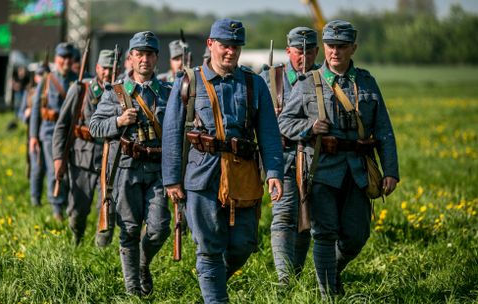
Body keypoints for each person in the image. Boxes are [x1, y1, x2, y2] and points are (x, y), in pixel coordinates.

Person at [162, 19, 284, 303]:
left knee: (244, 244)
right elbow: (172, 132)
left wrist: (274, 172)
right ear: (211, 45)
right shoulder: (188, 82)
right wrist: (171, 179)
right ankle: (215, 296)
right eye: (225, 46)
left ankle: (211, 281)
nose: (230, 52)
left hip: (242, 174)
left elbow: (268, 132)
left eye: (236, 46)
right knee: (209, 245)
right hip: (200, 176)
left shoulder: (254, 84)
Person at [278, 20, 399, 297]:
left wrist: (390, 170)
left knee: (357, 236)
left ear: (353, 48)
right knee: (324, 234)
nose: (335, 52)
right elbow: (284, 122)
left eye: (342, 47)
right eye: (331, 46)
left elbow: (384, 129)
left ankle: (330, 273)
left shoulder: (367, 81)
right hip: (320, 170)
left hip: (358, 170)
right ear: (325, 48)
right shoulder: (308, 83)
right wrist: (308, 128)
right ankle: (328, 295)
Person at [90, 31, 171, 296]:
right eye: (139, 54)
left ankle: (143, 263)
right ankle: (132, 290)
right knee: (129, 230)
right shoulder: (115, 92)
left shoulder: (167, 93)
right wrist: (118, 122)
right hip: (125, 168)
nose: (144, 59)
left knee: (159, 229)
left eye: (149, 54)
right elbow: (94, 126)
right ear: (131, 58)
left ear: (157, 58)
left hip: (157, 169)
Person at [260, 26, 320, 285]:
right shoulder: (270, 77)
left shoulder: (322, 77)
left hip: (313, 159)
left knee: (305, 218)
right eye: (297, 52)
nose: (302, 57)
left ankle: (294, 275)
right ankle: (285, 280)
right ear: (288, 51)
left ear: (316, 52)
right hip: (280, 157)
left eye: (308, 52)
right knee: (283, 215)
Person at [52, 50, 115, 246]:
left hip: (110, 162)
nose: (108, 73)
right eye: (105, 68)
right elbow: (62, 125)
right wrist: (58, 158)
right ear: (97, 68)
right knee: (77, 211)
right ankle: (76, 240)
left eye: (112, 69)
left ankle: (100, 255)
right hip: (82, 159)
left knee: (107, 210)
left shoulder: (121, 92)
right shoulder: (81, 90)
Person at [29, 42, 78, 221]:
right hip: (49, 133)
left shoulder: (78, 79)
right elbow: (36, 110)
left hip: (72, 134)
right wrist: (33, 136)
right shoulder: (47, 80)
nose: (65, 61)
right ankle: (56, 206)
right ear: (56, 59)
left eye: (68, 57)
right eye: (62, 57)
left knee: (72, 172)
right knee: (54, 170)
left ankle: (67, 204)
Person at [19, 64, 48, 207]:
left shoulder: (50, 90)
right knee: (36, 168)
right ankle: (35, 200)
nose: (42, 77)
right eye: (40, 75)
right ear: (36, 77)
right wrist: (26, 114)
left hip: (49, 134)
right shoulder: (29, 92)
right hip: (33, 133)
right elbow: (20, 112)